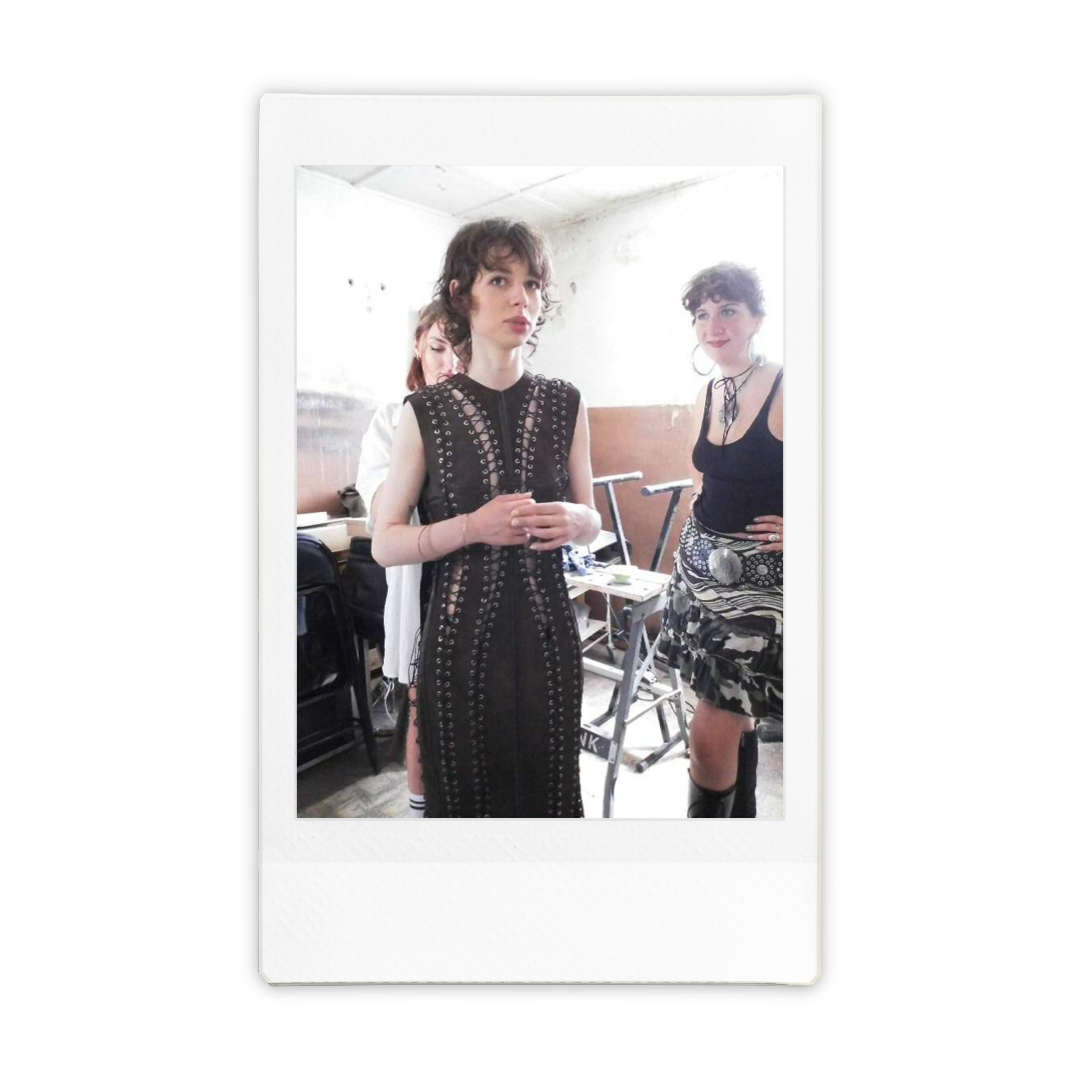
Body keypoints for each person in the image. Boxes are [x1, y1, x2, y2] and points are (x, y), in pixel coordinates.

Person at [372, 219, 601, 817]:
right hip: (459, 645)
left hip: (549, 639)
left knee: (549, 796)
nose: (520, 298)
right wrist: (472, 527)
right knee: (468, 805)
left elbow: (594, 520)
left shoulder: (567, 403)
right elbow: (385, 543)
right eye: (499, 280)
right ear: (461, 294)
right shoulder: (424, 412)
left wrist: (577, 520)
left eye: (532, 284)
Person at [659, 262, 783, 818]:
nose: (713, 326)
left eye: (727, 310)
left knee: (708, 734)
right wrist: (698, 509)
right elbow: (703, 474)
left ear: (757, 318)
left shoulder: (789, 385)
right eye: (702, 314)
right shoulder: (708, 392)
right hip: (698, 576)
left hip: (760, 589)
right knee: (737, 715)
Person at [356, 302, 458, 818]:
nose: (449, 364)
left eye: (461, 350)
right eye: (437, 348)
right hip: (424, 582)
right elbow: (381, 507)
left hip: (477, 580)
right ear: (418, 345)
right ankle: (420, 816)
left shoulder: (484, 418)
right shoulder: (394, 419)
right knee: (424, 703)